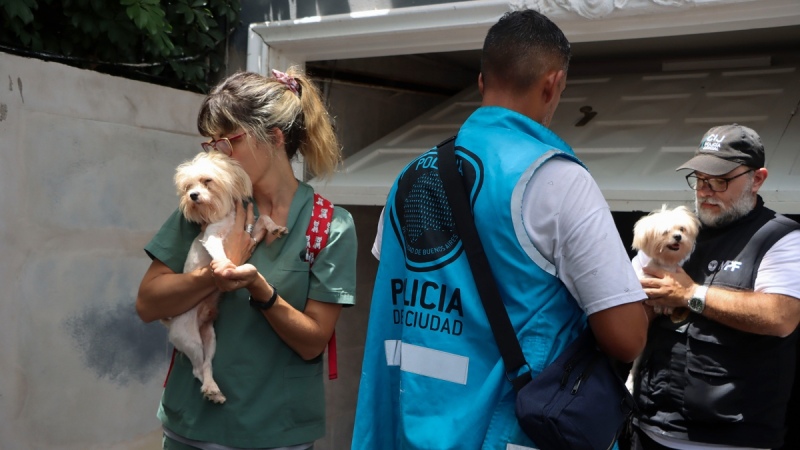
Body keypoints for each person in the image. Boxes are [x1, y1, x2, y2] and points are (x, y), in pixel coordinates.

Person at [351, 9, 649, 450]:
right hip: (502, 434)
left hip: (405, 427)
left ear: (480, 82)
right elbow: (626, 339)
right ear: (554, 84)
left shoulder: (408, 179)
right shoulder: (558, 181)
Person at [135, 68, 357, 450]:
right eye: (212, 144)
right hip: (191, 428)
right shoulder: (208, 203)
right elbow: (148, 303)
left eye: (229, 141)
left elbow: (313, 342)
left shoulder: (329, 225)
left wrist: (260, 288)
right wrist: (211, 276)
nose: (219, 153)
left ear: (273, 138)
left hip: (276, 433)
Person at [631, 124, 800, 450]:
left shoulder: (780, 237)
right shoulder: (677, 232)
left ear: (758, 179)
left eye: (720, 181)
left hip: (731, 438)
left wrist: (690, 295)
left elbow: (781, 316)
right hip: (648, 427)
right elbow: (632, 314)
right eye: (700, 179)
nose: (706, 190)